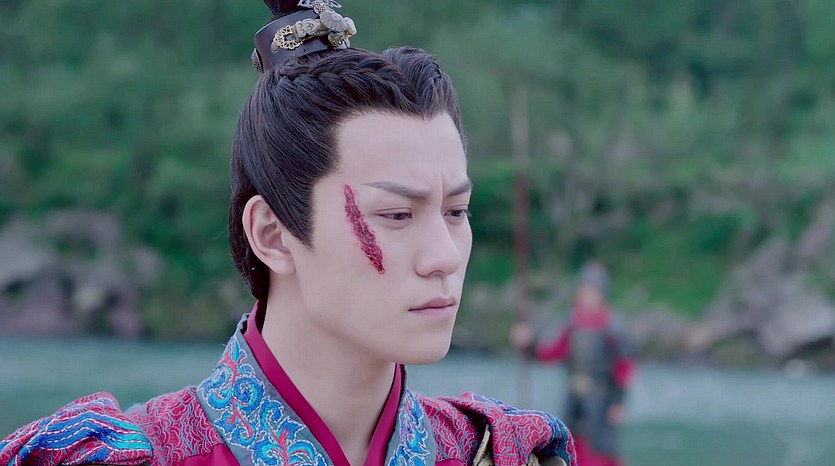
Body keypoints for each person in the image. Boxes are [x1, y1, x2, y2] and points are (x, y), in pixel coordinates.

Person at [0, 1, 575, 466]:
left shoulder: (498, 452)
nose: (444, 257)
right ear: (272, 234)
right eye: (397, 215)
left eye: (456, 211)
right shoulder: (126, 457)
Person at [511, 261, 635, 466]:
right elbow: (549, 354)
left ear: (602, 293)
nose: (586, 295)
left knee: (601, 454)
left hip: (601, 404)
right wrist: (528, 345)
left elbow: (625, 368)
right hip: (574, 402)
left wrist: (619, 402)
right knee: (570, 450)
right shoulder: (571, 325)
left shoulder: (613, 328)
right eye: (584, 290)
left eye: (592, 290)